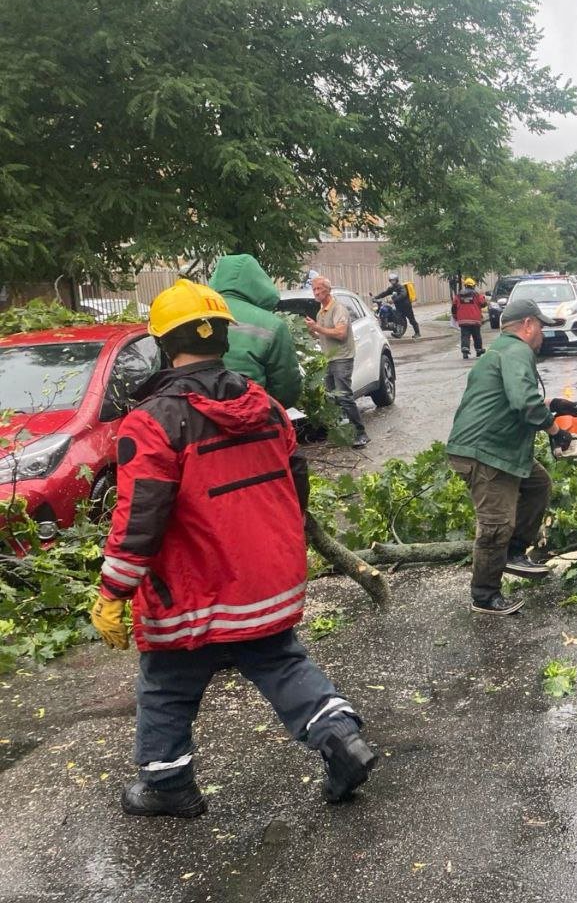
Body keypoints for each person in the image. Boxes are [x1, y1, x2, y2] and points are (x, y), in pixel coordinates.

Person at [90, 279, 375, 818]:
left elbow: (139, 521)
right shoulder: (265, 406)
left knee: (167, 685)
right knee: (282, 663)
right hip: (264, 581)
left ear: (163, 345)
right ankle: (342, 737)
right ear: (224, 337)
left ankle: (166, 784)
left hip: (192, 589)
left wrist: (113, 591)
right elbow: (296, 489)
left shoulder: (152, 422)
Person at [445, 299, 575, 616]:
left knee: (538, 485)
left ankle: (514, 552)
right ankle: (484, 596)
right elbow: (524, 403)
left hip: (501, 449)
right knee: (496, 525)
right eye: (541, 327)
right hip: (487, 452)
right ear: (528, 324)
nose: (542, 334)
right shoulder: (517, 351)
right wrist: (555, 428)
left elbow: (515, 395)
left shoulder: (501, 351)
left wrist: (551, 403)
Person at [209, 253, 302, 407]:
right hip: (251, 418)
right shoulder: (272, 325)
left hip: (196, 419)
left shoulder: (196, 315)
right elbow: (287, 388)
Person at [305, 277, 369, 448]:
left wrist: (317, 328)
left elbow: (340, 334)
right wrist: (312, 332)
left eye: (319, 289)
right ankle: (340, 435)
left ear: (328, 289)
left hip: (342, 357)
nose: (316, 292)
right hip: (328, 358)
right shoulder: (320, 313)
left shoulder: (338, 309)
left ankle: (361, 433)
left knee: (345, 396)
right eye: (314, 290)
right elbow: (323, 335)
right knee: (332, 398)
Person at [451, 277, 489, 359]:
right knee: (476, 335)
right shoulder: (476, 294)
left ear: (465, 286)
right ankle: (478, 350)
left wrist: (455, 316)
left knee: (465, 335)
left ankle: (465, 349)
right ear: (473, 286)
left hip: (463, 320)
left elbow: (454, 307)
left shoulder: (458, 295)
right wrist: (482, 296)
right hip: (475, 319)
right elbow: (483, 304)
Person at [373, 274, 420, 338]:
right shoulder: (391, 288)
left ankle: (417, 333)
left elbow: (403, 295)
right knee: (398, 319)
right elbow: (384, 293)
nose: (392, 282)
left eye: (394, 280)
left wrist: (394, 300)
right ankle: (399, 333)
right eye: (391, 280)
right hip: (399, 307)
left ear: (396, 280)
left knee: (411, 320)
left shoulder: (401, 287)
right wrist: (376, 297)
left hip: (406, 306)